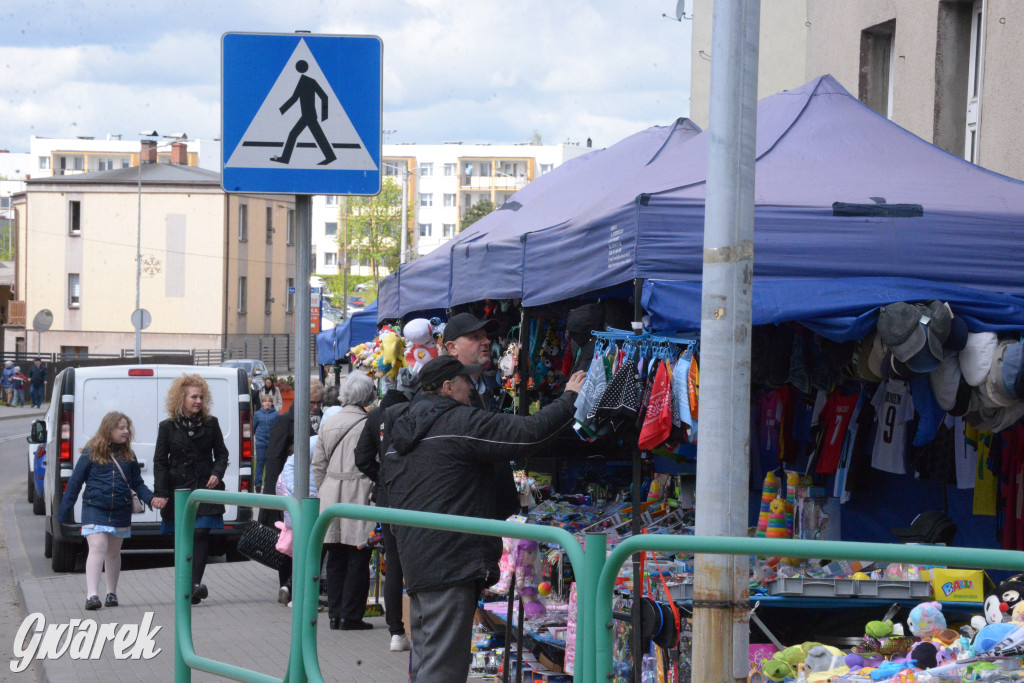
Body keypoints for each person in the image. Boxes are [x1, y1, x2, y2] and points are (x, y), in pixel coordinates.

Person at [382, 356, 585, 681]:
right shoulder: (457, 421)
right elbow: (527, 433)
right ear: (448, 387)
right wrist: (569, 399)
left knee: (425, 663)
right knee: (442, 668)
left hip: (417, 557)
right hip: (449, 560)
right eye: (467, 383)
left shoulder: (404, 429)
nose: (472, 390)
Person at [57, 412, 166, 610]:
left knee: (113, 552)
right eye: (121, 428)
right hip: (94, 507)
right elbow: (74, 483)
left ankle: (111, 593)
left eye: (127, 428)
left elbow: (137, 484)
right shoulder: (91, 452)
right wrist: (63, 514)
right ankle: (92, 596)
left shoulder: (128, 455)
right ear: (109, 430)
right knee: (98, 546)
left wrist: (151, 499)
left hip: (120, 509)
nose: (126, 432)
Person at [354, 367, 418, 652]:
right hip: (416, 496)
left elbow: (361, 457)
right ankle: (421, 627)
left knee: (393, 564)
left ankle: (396, 631)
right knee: (418, 560)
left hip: (386, 498)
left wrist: (380, 478)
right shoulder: (415, 412)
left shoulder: (376, 416)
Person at [153, 374, 229, 605]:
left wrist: (217, 473)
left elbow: (222, 454)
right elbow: (160, 461)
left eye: (201, 397)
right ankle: (185, 584)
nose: (198, 401)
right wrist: (161, 492)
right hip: (178, 489)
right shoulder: (167, 427)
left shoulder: (211, 423)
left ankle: (195, 584)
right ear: (181, 398)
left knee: (201, 532)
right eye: (193, 397)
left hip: (204, 486)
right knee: (183, 536)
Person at [312, 372, 377, 630]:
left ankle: (334, 614)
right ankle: (351, 615)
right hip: (360, 491)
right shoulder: (368, 424)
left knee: (335, 557)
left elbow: (318, 465)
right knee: (358, 556)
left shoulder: (329, 422)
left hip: (331, 492)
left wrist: (325, 489)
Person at [442, 312, 520, 520]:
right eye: (475, 337)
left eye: (485, 336)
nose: (486, 341)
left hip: (496, 511)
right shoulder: (444, 393)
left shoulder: (485, 388)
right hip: (468, 518)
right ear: (452, 348)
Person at [261, 380, 324, 604]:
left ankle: (294, 586)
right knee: (287, 540)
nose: (315, 407)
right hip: (287, 487)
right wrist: (271, 497)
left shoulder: (323, 421)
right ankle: (286, 585)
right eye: (312, 403)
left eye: (318, 403)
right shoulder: (285, 421)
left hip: (312, 488)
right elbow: (273, 457)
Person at [253, 394, 279, 492]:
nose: (267, 403)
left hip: (272, 443)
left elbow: (279, 427)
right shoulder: (257, 414)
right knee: (260, 463)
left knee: (270, 463)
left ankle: (268, 482)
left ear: (272, 403)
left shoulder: (276, 414)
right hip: (261, 443)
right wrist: (258, 437)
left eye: (269, 401)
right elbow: (253, 428)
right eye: (265, 401)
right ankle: (258, 483)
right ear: (262, 403)